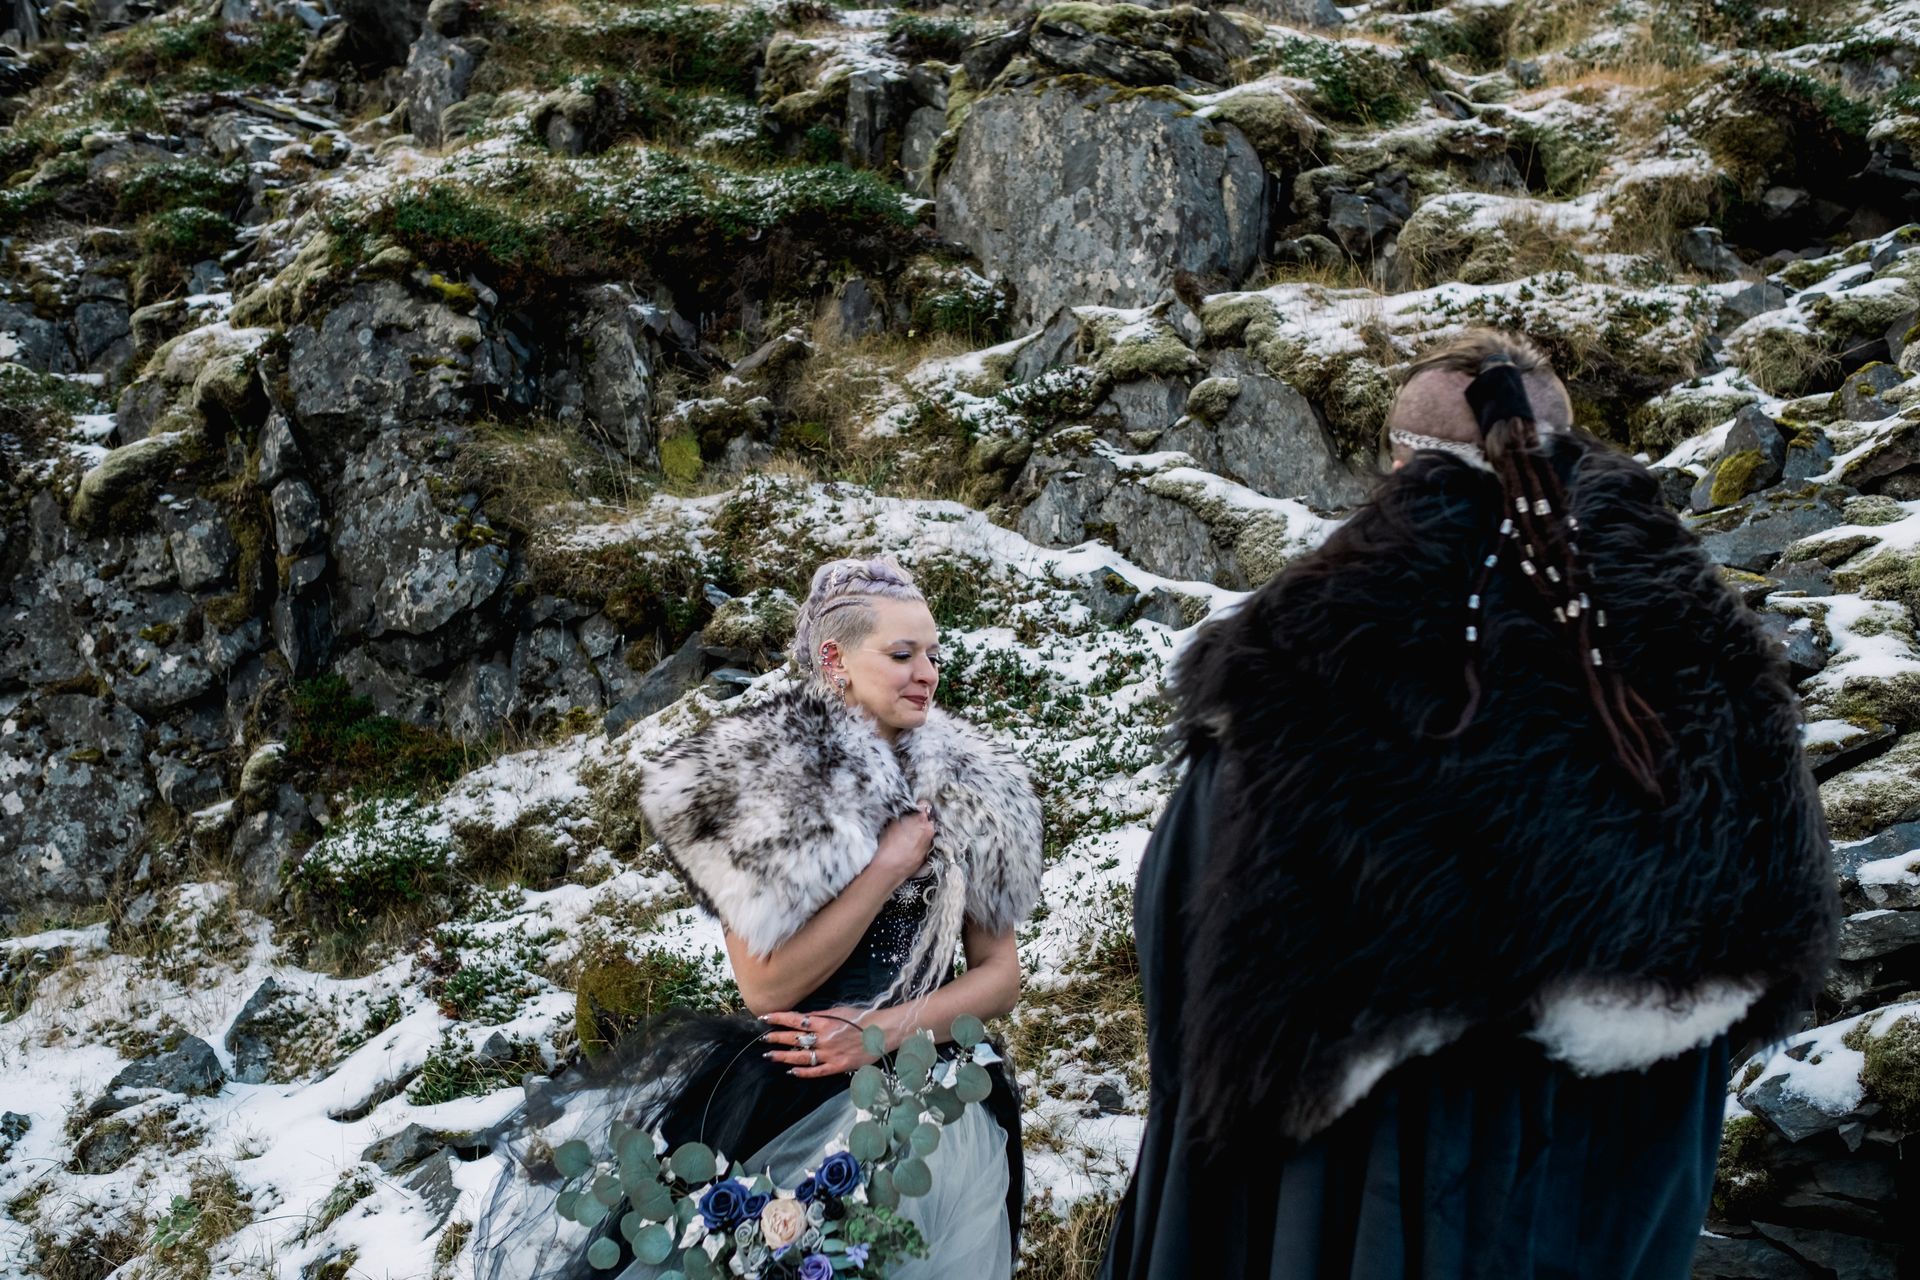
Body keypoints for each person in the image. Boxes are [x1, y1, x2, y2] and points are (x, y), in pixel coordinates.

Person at [1099, 330, 1837, 1280]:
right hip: (1617, 1171)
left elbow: (1190, 917)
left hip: (1371, 1176)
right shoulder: (1710, 660)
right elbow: (1768, 921)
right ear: (1566, 445)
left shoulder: (1321, 653)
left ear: (1401, 466)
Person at [474, 557, 1043, 1280]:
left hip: (935, 1099)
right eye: (901, 654)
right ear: (834, 658)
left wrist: (883, 1033)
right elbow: (765, 989)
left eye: (933, 652)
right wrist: (890, 867)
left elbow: (1001, 975)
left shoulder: (970, 788)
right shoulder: (763, 782)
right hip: (793, 1093)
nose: (926, 671)